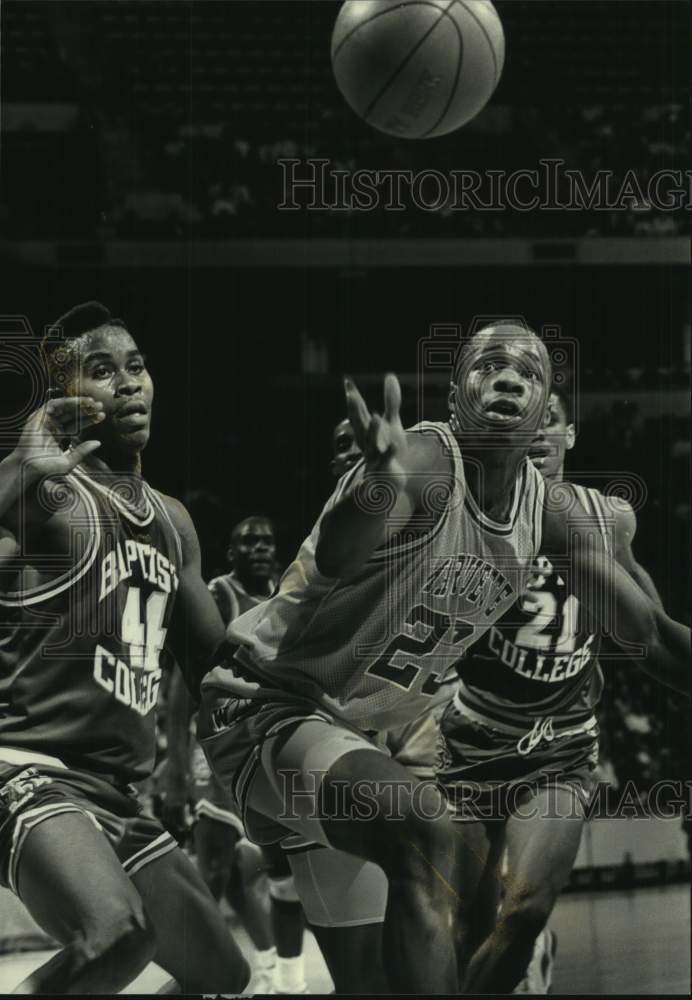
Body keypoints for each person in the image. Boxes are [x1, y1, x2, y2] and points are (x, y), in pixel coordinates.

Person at [197, 320, 688, 993]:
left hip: (353, 748)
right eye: (490, 364)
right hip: (266, 704)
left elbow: (651, 637)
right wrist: (380, 482)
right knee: (429, 835)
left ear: (547, 409)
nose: (510, 376)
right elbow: (339, 553)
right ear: (457, 394)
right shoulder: (428, 460)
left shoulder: (547, 514)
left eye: (530, 370)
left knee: (379, 978)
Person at [0, 302, 249, 994]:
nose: (129, 383)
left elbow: (218, 672)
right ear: (63, 398)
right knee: (118, 935)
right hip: (25, 767)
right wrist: (20, 471)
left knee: (222, 976)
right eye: (101, 371)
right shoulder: (46, 495)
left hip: (117, 793)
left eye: (136, 366)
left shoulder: (173, 523)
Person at [436, 385, 671, 994]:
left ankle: (530, 948)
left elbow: (653, 628)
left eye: (553, 422)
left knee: (526, 912)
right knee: (467, 928)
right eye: (527, 422)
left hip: (560, 743)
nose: (539, 432)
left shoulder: (610, 518)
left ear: (569, 436)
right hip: (474, 733)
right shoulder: (468, 514)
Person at [165, 517, 308, 994]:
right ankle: (197, 976)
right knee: (213, 868)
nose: (260, 548)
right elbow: (183, 688)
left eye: (267, 540)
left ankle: (270, 970)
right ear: (231, 552)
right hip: (217, 743)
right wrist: (178, 769)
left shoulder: (282, 597)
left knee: (246, 871)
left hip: (263, 741)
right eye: (248, 540)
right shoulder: (217, 594)